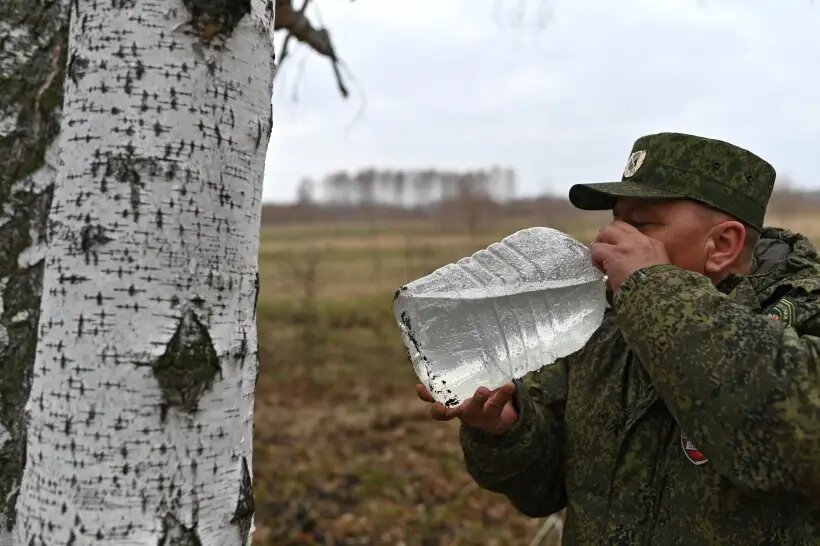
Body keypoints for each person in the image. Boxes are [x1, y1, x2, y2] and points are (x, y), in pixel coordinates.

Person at [416, 133, 820, 544]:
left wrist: (652, 289)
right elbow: (544, 490)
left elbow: (792, 434)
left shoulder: (806, 316)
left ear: (721, 245)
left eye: (640, 223)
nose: (608, 239)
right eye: (616, 219)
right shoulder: (604, 324)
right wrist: (509, 429)